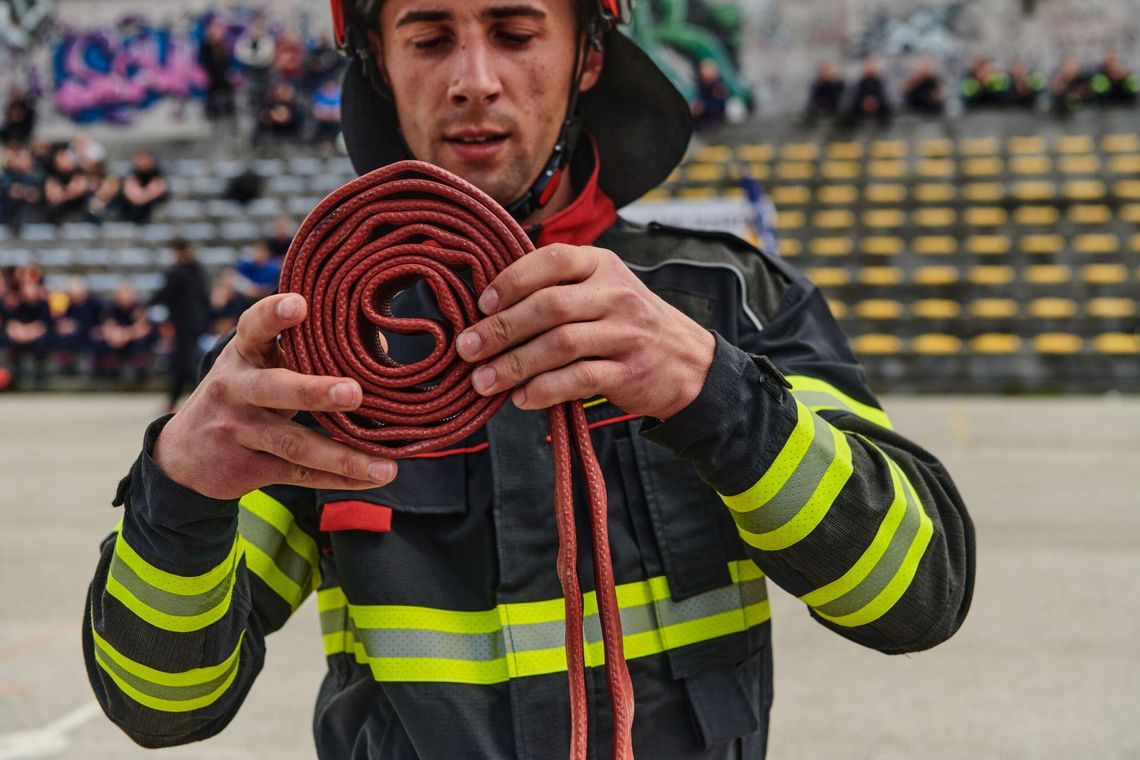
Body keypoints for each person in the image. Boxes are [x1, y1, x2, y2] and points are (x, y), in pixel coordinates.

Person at [82, 2, 975, 758]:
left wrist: (714, 393)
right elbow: (165, 702)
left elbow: (915, 595)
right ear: (382, 68)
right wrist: (181, 485)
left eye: (515, 32)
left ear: (587, 55)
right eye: (429, 39)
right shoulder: (315, 345)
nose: (474, 78)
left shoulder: (728, 302)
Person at [150, 239, 211, 411]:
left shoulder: (176, 272)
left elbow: (163, 294)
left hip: (183, 323)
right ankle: (177, 400)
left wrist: (147, 304)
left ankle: (197, 399)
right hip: (197, 323)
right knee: (185, 361)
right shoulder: (199, 271)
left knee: (185, 363)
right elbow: (205, 297)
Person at [119, 150, 168, 224]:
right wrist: (147, 193)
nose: (142, 162)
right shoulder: (132, 175)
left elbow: (159, 189)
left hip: (153, 216)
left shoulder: (158, 175)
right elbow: (136, 197)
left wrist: (144, 195)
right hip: (130, 216)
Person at [848, 56, 892, 128]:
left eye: (872, 65)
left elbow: (889, 99)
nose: (870, 68)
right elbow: (852, 99)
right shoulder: (858, 83)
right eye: (868, 65)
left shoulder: (882, 83)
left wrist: (876, 103)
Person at [804, 60, 845, 124]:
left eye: (829, 70)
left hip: (836, 116)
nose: (828, 73)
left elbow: (841, 103)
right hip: (820, 115)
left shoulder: (841, 85)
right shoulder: (817, 84)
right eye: (824, 71)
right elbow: (811, 103)